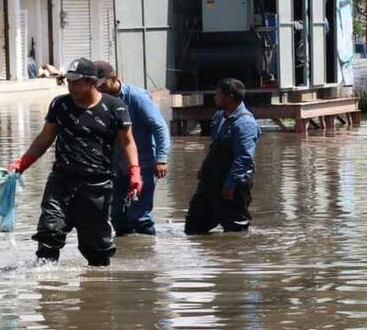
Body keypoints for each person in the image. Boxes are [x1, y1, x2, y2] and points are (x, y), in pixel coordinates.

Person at [8, 58, 140, 266]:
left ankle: (97, 289)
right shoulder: (60, 105)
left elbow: (128, 143)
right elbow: (44, 139)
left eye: (76, 82)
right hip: (61, 180)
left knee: (97, 249)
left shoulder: (116, 108)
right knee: (49, 233)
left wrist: (135, 172)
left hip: (97, 185)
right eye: (68, 81)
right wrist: (21, 164)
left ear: (92, 82)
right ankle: (46, 284)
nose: (71, 86)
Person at [94, 60, 171, 236]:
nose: (99, 89)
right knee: (117, 217)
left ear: (114, 78)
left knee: (140, 217)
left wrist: (161, 158)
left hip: (142, 163)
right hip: (116, 166)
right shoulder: (101, 100)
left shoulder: (137, 97)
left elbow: (159, 127)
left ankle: (147, 255)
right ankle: (125, 256)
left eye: (102, 85)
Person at [184, 78, 260, 234]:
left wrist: (231, 183)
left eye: (218, 94)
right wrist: (204, 169)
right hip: (210, 180)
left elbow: (244, 157)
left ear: (230, 97)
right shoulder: (219, 117)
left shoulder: (245, 123)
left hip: (232, 182)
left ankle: (235, 256)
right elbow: (214, 147)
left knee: (235, 227)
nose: (214, 97)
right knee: (194, 224)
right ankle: (212, 256)